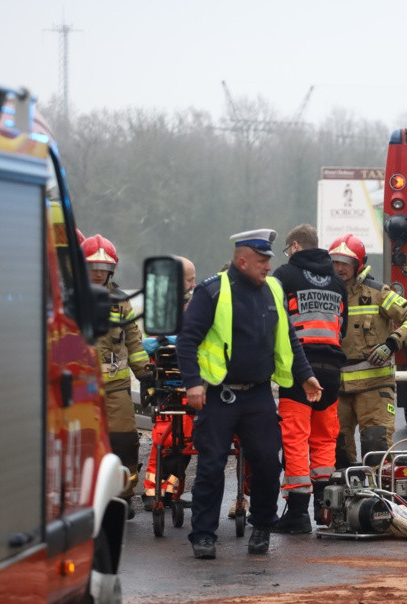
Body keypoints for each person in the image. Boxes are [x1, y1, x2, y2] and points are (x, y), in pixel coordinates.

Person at [176, 229, 323, 558]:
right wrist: (193, 383)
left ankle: (261, 528)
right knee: (211, 466)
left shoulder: (273, 289)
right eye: (262, 261)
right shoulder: (212, 290)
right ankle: (203, 535)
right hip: (219, 395)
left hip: (257, 395)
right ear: (241, 261)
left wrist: (306, 376)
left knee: (268, 464)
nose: (269, 267)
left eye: (270, 260)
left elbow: (289, 338)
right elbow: (186, 341)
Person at [271, 225, 348, 533]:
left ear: (295, 246)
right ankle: (324, 509)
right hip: (331, 371)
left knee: (295, 437)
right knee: (324, 438)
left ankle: (298, 513)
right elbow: (342, 327)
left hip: (299, 369)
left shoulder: (285, 275)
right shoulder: (337, 282)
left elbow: (274, 320)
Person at [329, 233, 407, 466]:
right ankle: (341, 500)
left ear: (358, 264)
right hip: (336, 389)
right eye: (335, 262)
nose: (339, 268)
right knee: (336, 451)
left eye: (346, 262)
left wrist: (391, 344)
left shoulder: (378, 293)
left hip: (374, 387)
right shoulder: (325, 295)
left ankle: (380, 500)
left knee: (375, 446)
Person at [82, 234, 152, 519]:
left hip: (116, 388)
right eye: (93, 266)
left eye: (104, 267)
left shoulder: (121, 302)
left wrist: (146, 375)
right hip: (79, 390)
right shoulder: (71, 297)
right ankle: (84, 497)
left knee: (124, 442)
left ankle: (123, 496)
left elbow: (134, 341)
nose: (99, 272)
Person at [141, 254, 198, 511]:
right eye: (190, 280)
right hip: (169, 388)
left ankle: (170, 492)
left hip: (183, 387)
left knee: (180, 445)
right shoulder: (165, 308)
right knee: (167, 441)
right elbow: (150, 343)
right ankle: (155, 492)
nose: (192, 285)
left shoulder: (186, 306)